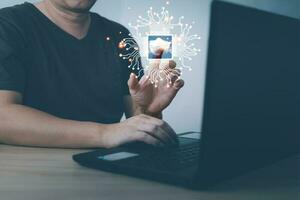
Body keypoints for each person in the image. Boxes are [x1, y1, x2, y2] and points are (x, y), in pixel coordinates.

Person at [0, 0, 184, 148]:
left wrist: (149, 112)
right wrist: (105, 134)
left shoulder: (119, 36)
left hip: (104, 170)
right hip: (29, 171)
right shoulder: (8, 25)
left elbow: (135, 121)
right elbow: (4, 118)